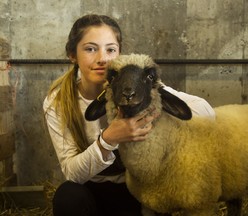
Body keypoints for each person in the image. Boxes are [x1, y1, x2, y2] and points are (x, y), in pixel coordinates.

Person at [43, 14, 215, 216]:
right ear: (73, 55)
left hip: (135, 188)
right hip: (90, 191)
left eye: (111, 49)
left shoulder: (138, 89)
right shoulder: (58, 102)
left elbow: (206, 112)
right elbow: (72, 173)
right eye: (90, 49)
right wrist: (108, 140)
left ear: (120, 54)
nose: (102, 59)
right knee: (67, 196)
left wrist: (155, 92)